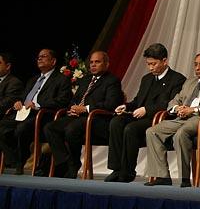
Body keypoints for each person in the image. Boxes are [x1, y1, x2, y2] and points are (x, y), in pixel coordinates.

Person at [104, 43, 186, 183]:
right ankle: (116, 168)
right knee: (116, 122)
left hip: (159, 119)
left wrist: (146, 109)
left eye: (154, 64)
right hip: (140, 117)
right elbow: (137, 101)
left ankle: (127, 172)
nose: (150, 67)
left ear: (164, 61)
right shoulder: (146, 79)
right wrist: (125, 106)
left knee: (131, 129)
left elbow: (170, 105)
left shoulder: (177, 79)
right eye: (148, 64)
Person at [144, 52, 200, 187]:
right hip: (182, 117)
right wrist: (178, 108)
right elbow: (174, 100)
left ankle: (184, 178)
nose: (197, 68)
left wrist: (194, 109)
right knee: (152, 131)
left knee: (181, 133)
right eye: (195, 65)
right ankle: (162, 176)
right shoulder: (190, 82)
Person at [44, 50, 123, 178]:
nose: (93, 65)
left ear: (107, 64)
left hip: (98, 119)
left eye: (97, 62)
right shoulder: (85, 80)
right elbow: (75, 99)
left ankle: (73, 164)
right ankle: (65, 162)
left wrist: (86, 109)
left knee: (71, 129)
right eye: (91, 62)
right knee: (50, 128)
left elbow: (111, 104)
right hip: (78, 117)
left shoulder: (112, 81)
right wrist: (72, 108)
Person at [0, 49, 71, 175]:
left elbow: (62, 101)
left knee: (21, 129)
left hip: (43, 115)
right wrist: (18, 102)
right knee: (2, 126)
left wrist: (38, 105)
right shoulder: (33, 79)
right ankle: (15, 160)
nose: (39, 59)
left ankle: (19, 162)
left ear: (53, 61)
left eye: (43, 56)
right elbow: (23, 98)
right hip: (24, 113)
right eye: (38, 57)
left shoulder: (61, 79)